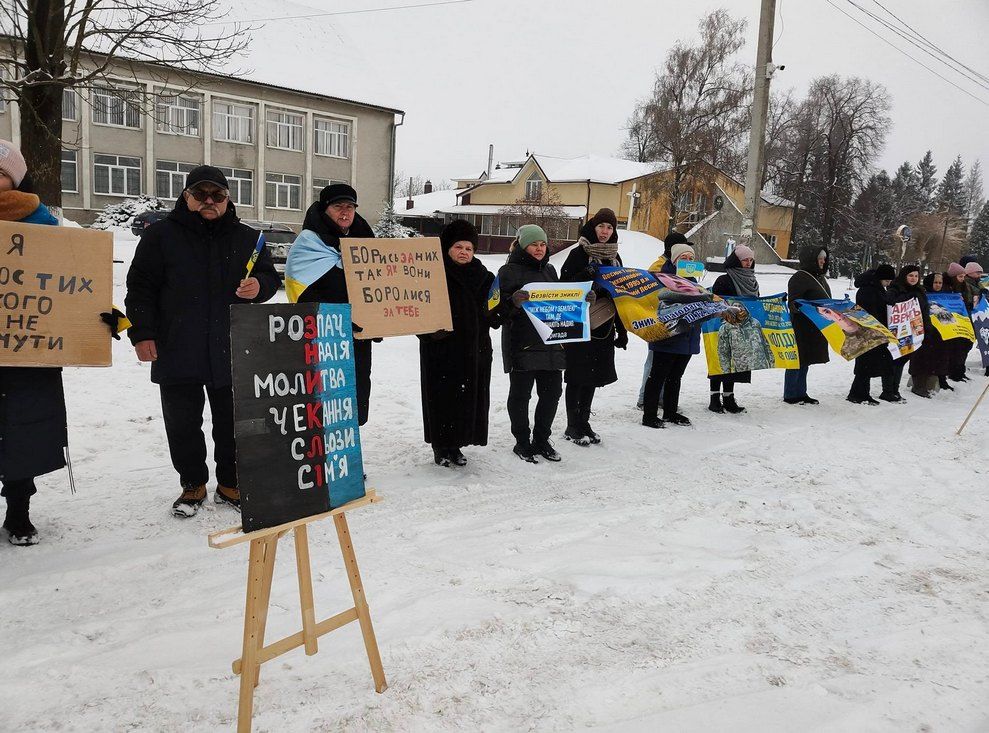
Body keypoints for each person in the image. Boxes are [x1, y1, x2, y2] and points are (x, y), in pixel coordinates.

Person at [126, 166, 280, 517]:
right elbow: (140, 288)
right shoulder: (161, 236)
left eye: (218, 195)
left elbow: (268, 276)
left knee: (233, 422)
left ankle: (230, 483)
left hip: (232, 346)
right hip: (176, 345)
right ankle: (192, 484)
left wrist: (260, 287)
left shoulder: (248, 238)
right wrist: (142, 332)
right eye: (201, 194)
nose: (209, 201)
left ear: (228, 199)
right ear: (186, 197)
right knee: (182, 423)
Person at [0, 140, 62, 545]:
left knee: (23, 432)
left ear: (15, 177)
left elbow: (73, 283)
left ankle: (18, 512)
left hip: (29, 351)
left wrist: (100, 319)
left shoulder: (43, 224)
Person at [286, 184, 378, 421]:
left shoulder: (366, 243)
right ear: (325, 209)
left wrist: (379, 319)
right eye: (338, 206)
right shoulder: (309, 243)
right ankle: (320, 455)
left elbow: (378, 287)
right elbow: (300, 292)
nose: (345, 212)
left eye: (350, 207)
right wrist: (338, 318)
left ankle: (346, 454)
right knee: (323, 404)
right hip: (323, 338)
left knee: (353, 404)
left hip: (358, 340)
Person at [497, 225, 584, 463]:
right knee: (520, 395)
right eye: (534, 244)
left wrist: (584, 300)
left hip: (552, 343)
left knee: (552, 394)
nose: (539, 248)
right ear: (523, 245)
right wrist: (511, 302)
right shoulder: (508, 271)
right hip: (522, 343)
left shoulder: (550, 270)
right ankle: (522, 442)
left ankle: (542, 440)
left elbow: (560, 303)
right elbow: (495, 309)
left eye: (542, 244)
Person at [418, 220, 495, 467]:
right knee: (442, 399)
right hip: (441, 349)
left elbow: (494, 313)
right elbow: (415, 310)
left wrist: (511, 303)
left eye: (469, 248)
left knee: (467, 400)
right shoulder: (431, 273)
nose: (464, 252)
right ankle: (441, 447)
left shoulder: (484, 277)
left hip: (475, 349)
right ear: (446, 248)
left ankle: (458, 444)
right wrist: (428, 334)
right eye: (458, 247)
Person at [560, 208, 627, 445]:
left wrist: (623, 330)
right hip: (580, 324)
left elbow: (620, 295)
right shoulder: (579, 253)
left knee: (593, 377)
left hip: (604, 327)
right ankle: (572, 425)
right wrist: (583, 276)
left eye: (609, 227)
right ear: (593, 227)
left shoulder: (614, 258)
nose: (605, 232)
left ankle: (584, 421)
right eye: (601, 227)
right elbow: (563, 287)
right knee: (578, 377)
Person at [641, 242, 701, 428]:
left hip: (688, 336)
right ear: (675, 260)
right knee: (658, 374)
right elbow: (657, 302)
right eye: (684, 258)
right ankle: (649, 415)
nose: (688, 261)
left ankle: (670, 412)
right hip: (668, 335)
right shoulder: (662, 277)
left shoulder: (694, 281)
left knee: (676, 376)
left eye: (691, 258)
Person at [637, 230, 690, 408]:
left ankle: (661, 398)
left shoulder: (683, 268)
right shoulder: (659, 267)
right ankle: (645, 399)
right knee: (654, 362)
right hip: (659, 320)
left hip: (676, 323)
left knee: (667, 366)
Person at [709, 243, 760, 414]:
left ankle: (729, 397)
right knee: (720, 361)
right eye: (745, 259)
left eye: (751, 260)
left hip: (742, 329)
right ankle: (714, 398)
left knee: (734, 363)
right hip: (722, 327)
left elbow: (755, 303)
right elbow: (715, 302)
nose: (748, 263)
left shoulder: (752, 281)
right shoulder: (724, 279)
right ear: (736, 260)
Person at [785, 246, 832, 404]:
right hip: (801, 325)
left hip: (815, 325)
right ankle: (791, 393)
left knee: (806, 360)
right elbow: (793, 301)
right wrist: (803, 307)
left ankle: (801, 392)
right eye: (820, 258)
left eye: (824, 259)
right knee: (797, 360)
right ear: (811, 259)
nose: (822, 261)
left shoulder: (820, 277)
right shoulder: (800, 277)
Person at [846, 264, 895, 405]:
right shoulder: (868, 290)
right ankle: (858, 394)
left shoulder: (876, 288)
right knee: (865, 364)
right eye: (887, 280)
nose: (888, 283)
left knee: (867, 364)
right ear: (880, 278)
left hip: (874, 331)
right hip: (868, 332)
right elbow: (869, 312)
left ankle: (860, 393)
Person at [887, 264, 929, 399]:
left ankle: (895, 390)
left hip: (913, 331)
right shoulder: (894, 289)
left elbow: (924, 312)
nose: (913, 278)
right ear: (904, 276)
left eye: (916, 276)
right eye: (910, 275)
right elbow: (890, 304)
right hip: (897, 331)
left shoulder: (920, 291)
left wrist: (928, 328)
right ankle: (889, 390)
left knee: (902, 360)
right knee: (894, 361)